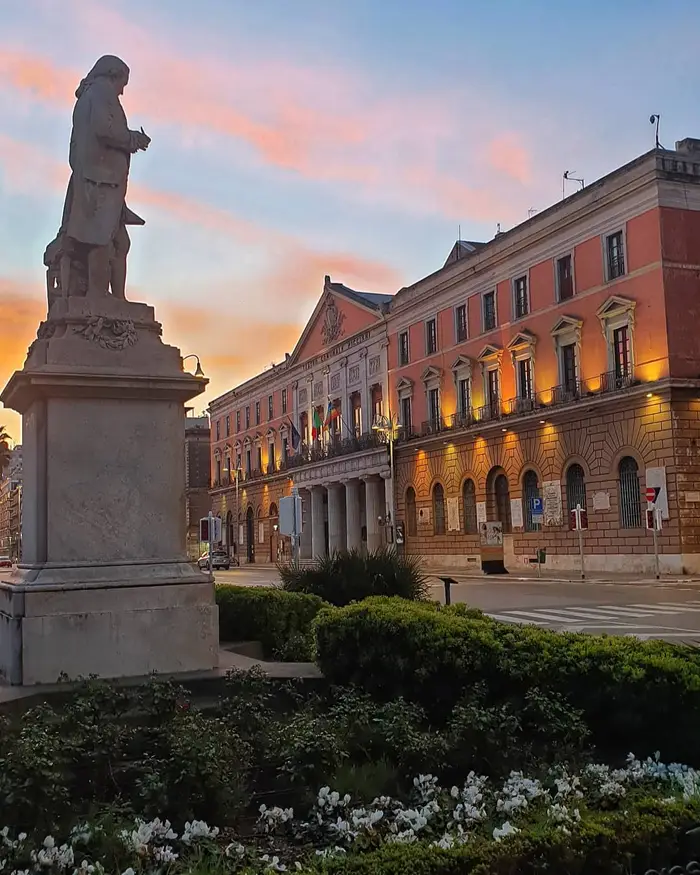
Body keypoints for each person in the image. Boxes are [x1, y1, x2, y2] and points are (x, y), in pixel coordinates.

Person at [58, 55, 150, 299]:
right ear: (112, 75)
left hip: (98, 182)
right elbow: (104, 129)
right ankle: (99, 298)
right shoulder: (101, 93)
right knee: (101, 240)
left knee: (117, 242)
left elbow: (76, 146)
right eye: (122, 83)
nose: (122, 91)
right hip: (99, 184)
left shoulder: (88, 97)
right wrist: (133, 139)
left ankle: (115, 300)